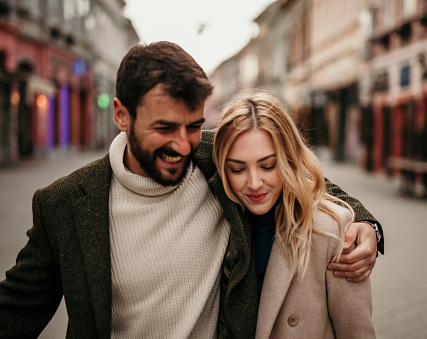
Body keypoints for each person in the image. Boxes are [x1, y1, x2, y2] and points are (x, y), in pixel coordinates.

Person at [0, 42, 382, 338]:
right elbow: (16, 310)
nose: (183, 145)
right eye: (164, 127)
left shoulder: (216, 158)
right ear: (121, 115)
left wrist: (366, 224)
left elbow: (297, 176)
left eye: (193, 126)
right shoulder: (65, 205)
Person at [213, 90, 376, 338]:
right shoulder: (216, 218)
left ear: (290, 160)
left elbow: (356, 332)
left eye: (267, 165)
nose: (254, 183)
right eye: (237, 169)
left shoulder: (331, 232)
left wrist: (371, 226)